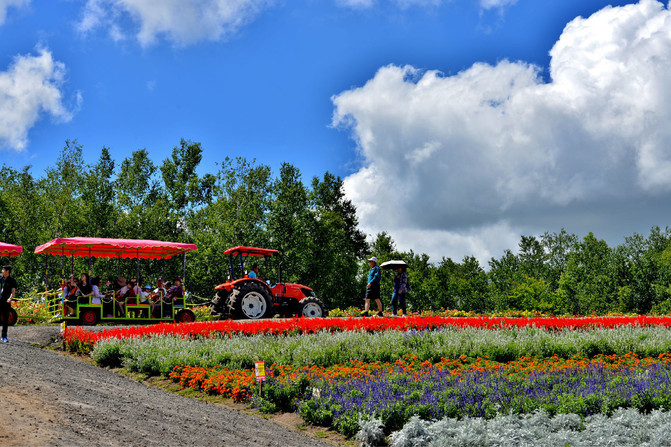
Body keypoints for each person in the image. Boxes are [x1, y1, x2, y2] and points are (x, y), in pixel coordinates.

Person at [0, 265, 17, 343]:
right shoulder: (1, 278)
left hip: (6, 301)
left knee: (5, 319)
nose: (2, 271)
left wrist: (10, 298)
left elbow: (13, 291)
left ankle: (4, 336)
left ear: (7, 271)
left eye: (3, 270)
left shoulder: (12, 280)